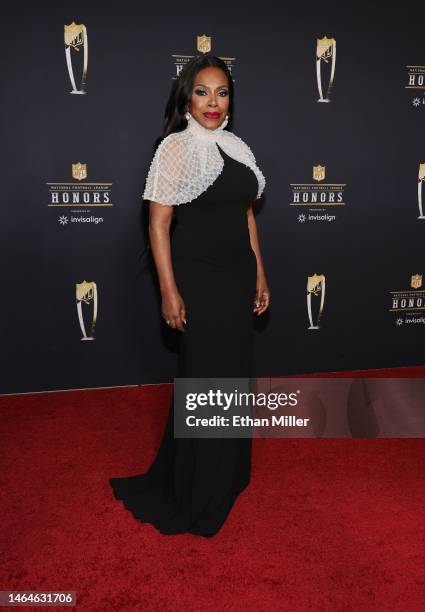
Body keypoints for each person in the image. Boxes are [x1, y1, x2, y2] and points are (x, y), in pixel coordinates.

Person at [109, 54, 270, 537]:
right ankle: (197, 484)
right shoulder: (175, 150)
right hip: (197, 279)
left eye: (222, 92)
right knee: (203, 378)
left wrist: (260, 273)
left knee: (234, 376)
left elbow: (246, 218)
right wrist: (169, 289)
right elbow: (158, 224)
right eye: (203, 91)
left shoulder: (238, 147)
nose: (213, 102)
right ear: (186, 97)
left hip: (238, 276)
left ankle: (228, 472)